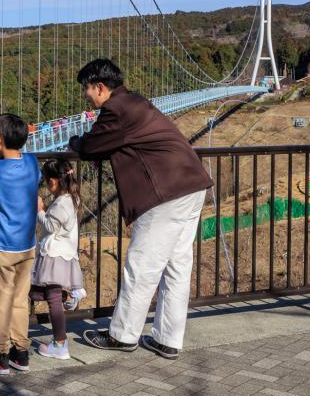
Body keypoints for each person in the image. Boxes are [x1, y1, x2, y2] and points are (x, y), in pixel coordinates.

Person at [69, 58, 211, 359]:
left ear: (100, 87)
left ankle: (122, 335)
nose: (86, 95)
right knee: (176, 267)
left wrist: (75, 142)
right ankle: (168, 339)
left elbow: (93, 145)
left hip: (166, 193)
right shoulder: (135, 102)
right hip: (191, 185)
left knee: (141, 267)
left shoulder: (116, 110)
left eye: (87, 89)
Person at [0, 114, 39, 376]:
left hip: (1, 244)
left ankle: (0, 353)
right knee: (20, 299)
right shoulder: (33, 164)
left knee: (1, 299)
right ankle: (21, 352)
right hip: (27, 243)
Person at [31, 159, 86, 361]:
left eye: (46, 181)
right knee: (45, 292)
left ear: (54, 181)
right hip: (63, 254)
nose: (46, 185)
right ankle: (71, 296)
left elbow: (50, 226)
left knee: (52, 297)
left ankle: (60, 344)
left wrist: (40, 210)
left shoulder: (62, 203)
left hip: (55, 255)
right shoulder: (72, 198)